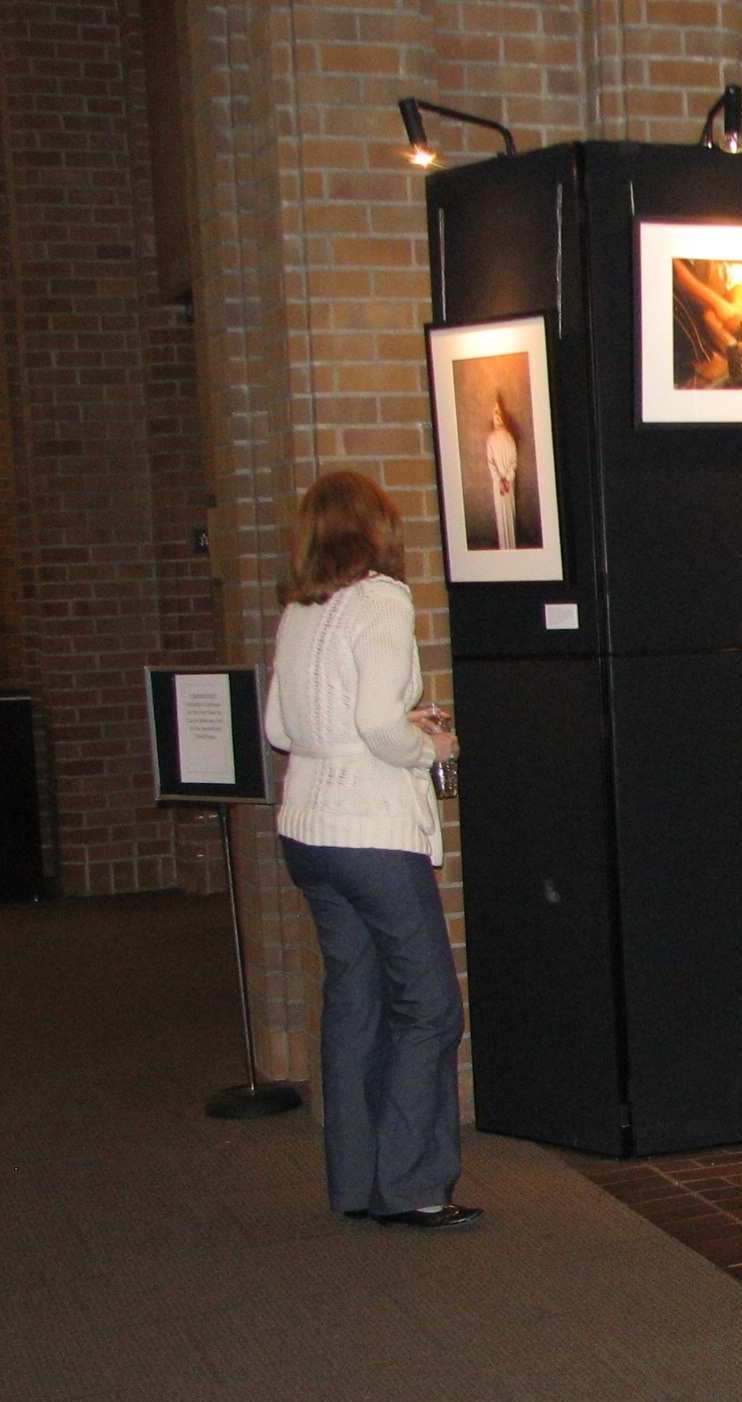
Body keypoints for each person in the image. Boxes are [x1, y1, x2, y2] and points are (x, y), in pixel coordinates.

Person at [263, 471, 480, 1231]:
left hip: (308, 833)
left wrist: (380, 726)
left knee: (353, 1002)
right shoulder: (381, 600)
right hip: (371, 835)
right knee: (429, 1007)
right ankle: (414, 1186)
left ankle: (356, 1180)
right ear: (377, 529)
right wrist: (429, 744)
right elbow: (378, 725)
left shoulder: (300, 609)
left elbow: (282, 731)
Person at [484, 402, 518, 550]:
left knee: (504, 513)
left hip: (501, 483)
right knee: (508, 512)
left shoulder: (491, 438)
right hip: (507, 482)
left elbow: (490, 461)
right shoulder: (508, 437)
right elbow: (514, 459)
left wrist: (499, 480)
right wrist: (507, 479)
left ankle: (506, 546)